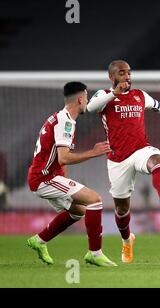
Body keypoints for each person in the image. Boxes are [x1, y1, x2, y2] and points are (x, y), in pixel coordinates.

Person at [87, 60, 160, 263]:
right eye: (121, 73)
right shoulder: (103, 96)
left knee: (156, 161)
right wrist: (114, 93)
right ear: (112, 77)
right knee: (121, 209)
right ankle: (127, 240)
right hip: (118, 159)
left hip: (140, 150)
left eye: (128, 72)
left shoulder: (140, 95)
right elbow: (91, 108)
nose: (127, 76)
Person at [27, 82, 116, 266]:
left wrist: (64, 180)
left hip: (46, 176)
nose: (88, 101)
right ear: (80, 99)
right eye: (87, 97)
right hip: (44, 178)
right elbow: (63, 157)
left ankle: (39, 240)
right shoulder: (65, 121)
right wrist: (93, 152)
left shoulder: (60, 118)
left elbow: (57, 158)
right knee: (95, 199)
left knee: (79, 211)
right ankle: (95, 253)